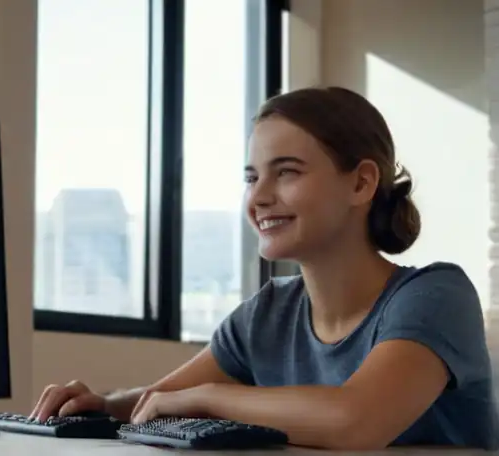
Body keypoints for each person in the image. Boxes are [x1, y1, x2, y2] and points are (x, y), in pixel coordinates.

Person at [30, 86, 499, 450]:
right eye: (252, 177)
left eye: (287, 172)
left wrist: (210, 399)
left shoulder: (436, 295)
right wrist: (100, 405)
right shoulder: (268, 313)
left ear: (361, 183)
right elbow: (161, 399)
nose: (258, 197)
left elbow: (355, 421)